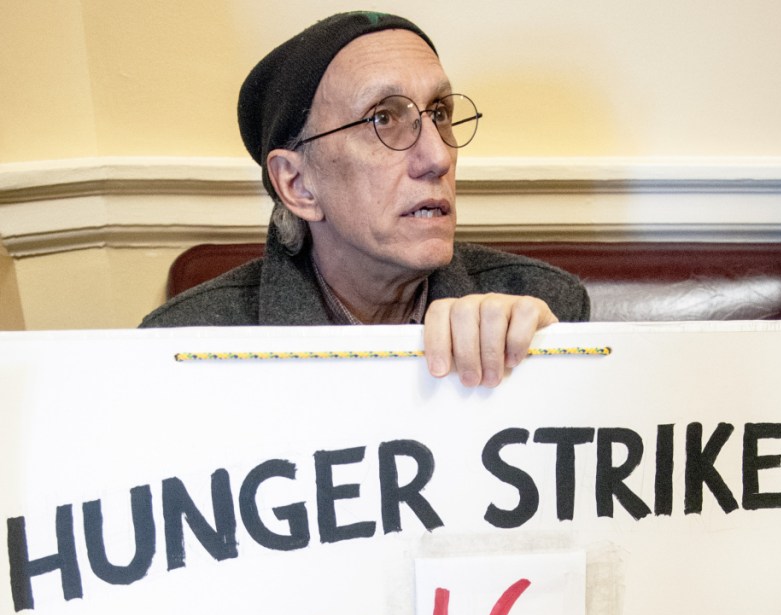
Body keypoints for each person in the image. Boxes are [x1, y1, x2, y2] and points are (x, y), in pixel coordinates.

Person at [141, 11, 589, 387]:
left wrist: (548, 369)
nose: (437, 157)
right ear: (297, 185)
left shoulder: (543, 306)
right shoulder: (184, 346)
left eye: (439, 113)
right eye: (382, 119)